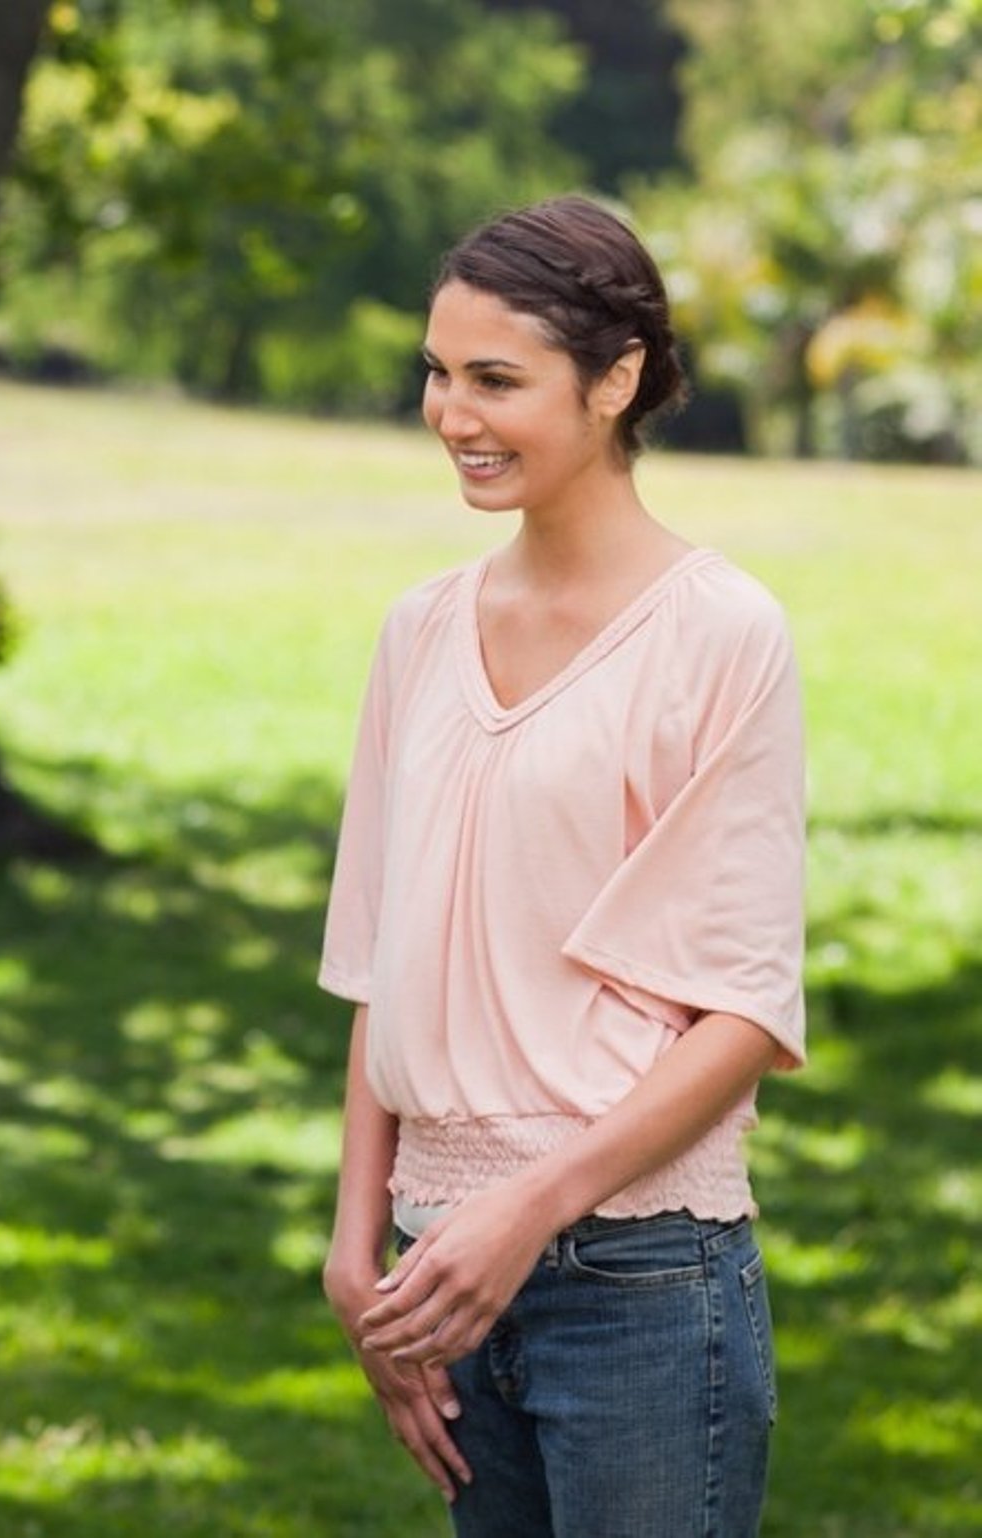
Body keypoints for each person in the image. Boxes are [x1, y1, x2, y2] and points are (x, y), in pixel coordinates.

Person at [318, 195, 804, 1537]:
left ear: (617, 379)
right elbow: (379, 956)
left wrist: (522, 1212)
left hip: (641, 1283)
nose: (452, 413)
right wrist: (361, 1248)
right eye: (437, 373)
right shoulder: (418, 633)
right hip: (444, 1279)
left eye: (495, 380)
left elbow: (747, 1011)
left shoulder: (721, 636)